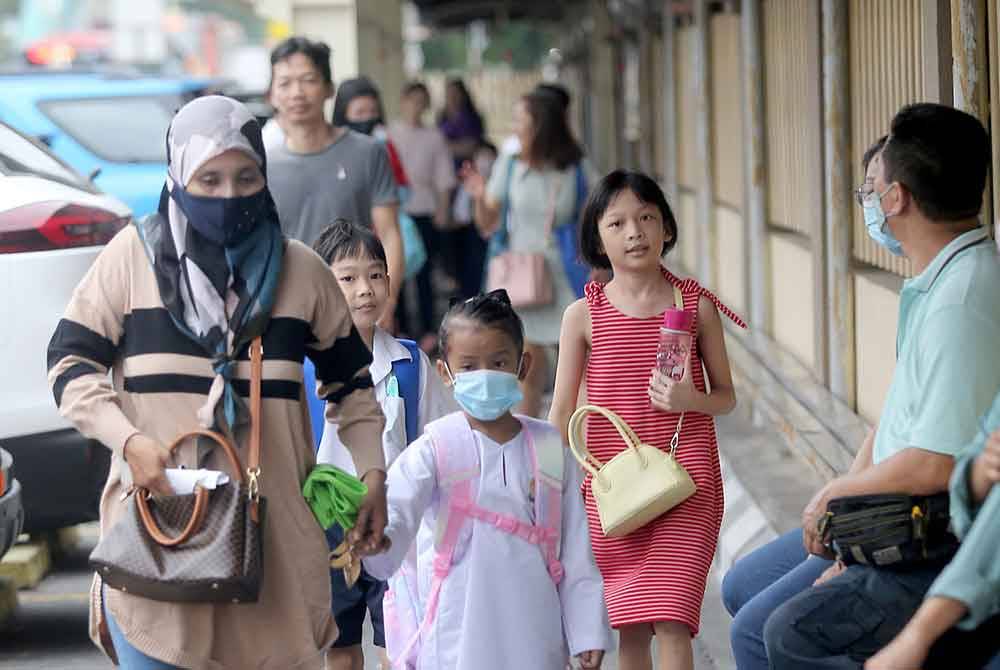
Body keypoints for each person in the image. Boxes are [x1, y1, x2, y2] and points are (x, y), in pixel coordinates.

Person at [45, 95, 388, 669]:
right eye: (209, 178)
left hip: (274, 560)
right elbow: (69, 365)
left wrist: (373, 473)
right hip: (156, 550)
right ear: (177, 176)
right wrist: (129, 443)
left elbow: (352, 386)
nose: (229, 195)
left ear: (264, 174)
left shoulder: (303, 271)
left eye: (245, 176)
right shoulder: (131, 260)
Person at [735, 103, 1000, 669]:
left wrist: (836, 499)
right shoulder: (938, 283)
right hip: (888, 510)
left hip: (924, 535)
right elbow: (895, 421)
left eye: (872, 188)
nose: (869, 201)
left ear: (898, 198)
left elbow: (935, 464)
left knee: (769, 632)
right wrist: (845, 493)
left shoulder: (961, 300)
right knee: (742, 587)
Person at [548, 170, 746, 670]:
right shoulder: (582, 315)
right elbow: (561, 411)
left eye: (646, 218)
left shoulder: (695, 307)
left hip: (687, 482)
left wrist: (689, 399)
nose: (634, 232)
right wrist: (545, 484)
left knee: (673, 620)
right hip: (612, 485)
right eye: (617, 223)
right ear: (596, 238)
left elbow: (726, 397)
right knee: (631, 627)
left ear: (667, 229)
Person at [363, 290, 612, 669]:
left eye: (497, 363)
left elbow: (576, 550)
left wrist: (586, 630)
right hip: (456, 639)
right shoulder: (434, 448)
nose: (484, 376)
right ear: (445, 373)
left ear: (522, 366)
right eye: (468, 366)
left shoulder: (548, 448)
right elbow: (397, 515)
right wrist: (376, 538)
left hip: (535, 633)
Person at [309, 220, 456, 670]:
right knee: (341, 644)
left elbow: (442, 437)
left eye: (375, 275)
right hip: (326, 526)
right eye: (348, 278)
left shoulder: (410, 363)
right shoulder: (303, 369)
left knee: (399, 637)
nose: (365, 289)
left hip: (397, 524)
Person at [461, 90, 596, 417]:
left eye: (521, 120)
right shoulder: (510, 164)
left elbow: (598, 216)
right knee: (527, 368)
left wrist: (600, 264)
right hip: (521, 278)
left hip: (566, 275)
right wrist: (479, 196)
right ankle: (533, 456)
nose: (514, 127)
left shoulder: (575, 168)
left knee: (581, 370)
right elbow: (488, 222)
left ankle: (582, 449)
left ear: (542, 125)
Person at [265, 36, 402, 330]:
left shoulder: (367, 152)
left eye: (308, 80)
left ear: (328, 88)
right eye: (285, 83)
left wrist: (387, 304)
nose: (297, 93)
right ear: (272, 95)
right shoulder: (263, 165)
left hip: (356, 309)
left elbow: (389, 233)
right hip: (289, 312)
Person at [866, 394, 1000, 670]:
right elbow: (970, 469)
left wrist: (920, 633)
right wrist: (982, 471)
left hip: (963, 572)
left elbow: (936, 467)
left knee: (788, 636)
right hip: (962, 566)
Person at [389, 81, 457, 350]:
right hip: (396, 213)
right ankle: (402, 327)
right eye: (412, 100)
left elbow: (443, 178)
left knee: (425, 274)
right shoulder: (390, 134)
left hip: (425, 211)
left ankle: (428, 330)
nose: (416, 106)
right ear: (403, 101)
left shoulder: (434, 137)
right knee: (397, 272)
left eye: (422, 101)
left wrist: (443, 210)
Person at [437, 78, 484, 168]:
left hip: (466, 164)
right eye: (449, 94)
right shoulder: (442, 117)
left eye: (455, 93)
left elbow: (470, 147)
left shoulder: (471, 118)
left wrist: (446, 147)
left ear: (463, 95)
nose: (452, 97)